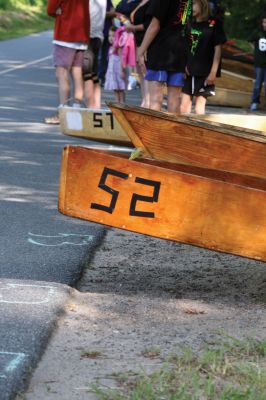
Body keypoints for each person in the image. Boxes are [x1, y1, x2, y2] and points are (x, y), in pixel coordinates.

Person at [137, 0, 192, 114]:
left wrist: (140, 51)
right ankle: (172, 131)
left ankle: (153, 131)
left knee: (155, 100)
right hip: (179, 53)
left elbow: (154, 26)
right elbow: (186, 27)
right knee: (174, 101)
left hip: (160, 53)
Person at [45, 0, 90, 124]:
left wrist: (57, 12)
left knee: (61, 74)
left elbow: (50, 9)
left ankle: (62, 114)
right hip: (82, 34)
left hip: (65, 33)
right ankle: (77, 110)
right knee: (77, 73)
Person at [181, 0, 226, 114]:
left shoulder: (214, 23)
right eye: (190, 5)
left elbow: (218, 49)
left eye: (194, 4)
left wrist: (213, 72)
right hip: (189, 71)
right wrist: (183, 64)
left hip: (205, 72)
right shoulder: (189, 23)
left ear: (202, 4)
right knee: (184, 106)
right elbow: (185, 47)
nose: (191, 7)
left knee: (199, 108)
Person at [125, 0, 151, 107]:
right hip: (137, 39)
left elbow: (148, 24)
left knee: (145, 71)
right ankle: (144, 100)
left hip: (146, 40)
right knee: (140, 71)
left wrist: (133, 28)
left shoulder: (151, 3)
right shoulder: (139, 2)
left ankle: (148, 102)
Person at [82, 0, 107, 109]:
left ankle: (91, 107)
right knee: (93, 74)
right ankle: (96, 106)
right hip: (98, 36)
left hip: (89, 36)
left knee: (87, 74)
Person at [104, 25, 136, 102]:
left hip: (118, 72)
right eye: (109, 36)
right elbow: (110, 62)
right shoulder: (111, 48)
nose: (111, 38)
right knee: (116, 90)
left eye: (113, 36)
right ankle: (117, 105)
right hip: (112, 73)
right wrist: (106, 72)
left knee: (120, 90)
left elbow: (122, 59)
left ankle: (121, 105)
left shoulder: (118, 48)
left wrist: (122, 71)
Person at [249, 15, 266, 112]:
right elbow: (249, 40)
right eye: (264, 22)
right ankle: (254, 102)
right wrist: (254, 49)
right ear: (262, 23)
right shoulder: (258, 32)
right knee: (258, 84)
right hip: (259, 63)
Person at [98, 0, 117, 86]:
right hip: (98, 31)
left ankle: (105, 77)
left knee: (107, 55)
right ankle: (100, 76)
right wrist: (111, 13)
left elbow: (113, 13)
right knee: (99, 56)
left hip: (108, 32)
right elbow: (100, 14)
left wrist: (113, 26)